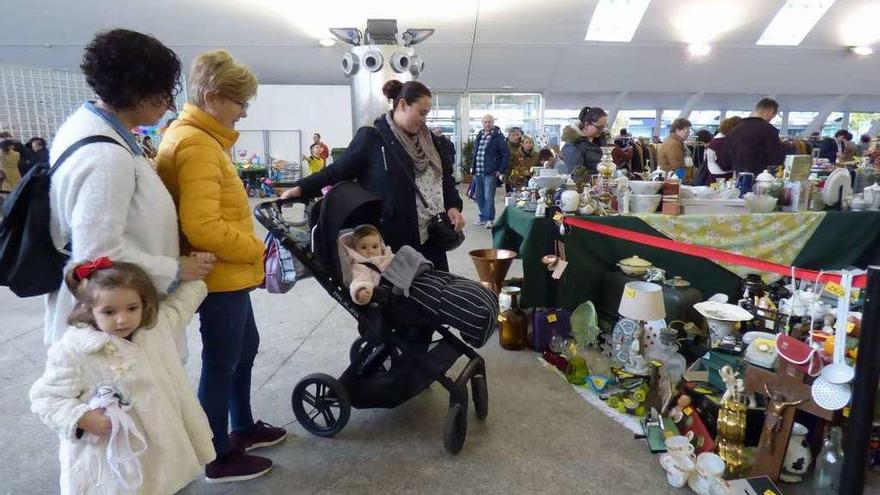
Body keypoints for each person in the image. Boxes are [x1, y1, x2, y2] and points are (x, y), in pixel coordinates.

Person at [156, 49, 285, 483]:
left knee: (243, 350)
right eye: (239, 103)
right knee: (222, 361)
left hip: (227, 275)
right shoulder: (196, 143)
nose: (244, 112)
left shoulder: (202, 138)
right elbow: (202, 225)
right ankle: (216, 455)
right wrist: (254, 248)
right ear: (212, 97)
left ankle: (242, 427)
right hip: (218, 276)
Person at [45, 29, 214, 347]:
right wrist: (176, 269)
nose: (167, 104)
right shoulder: (106, 157)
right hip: (118, 327)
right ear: (136, 91)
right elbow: (97, 255)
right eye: (162, 93)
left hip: (120, 315)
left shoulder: (92, 130)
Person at [29, 258, 216, 494]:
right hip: (119, 462)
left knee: (173, 483)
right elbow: (45, 398)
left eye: (132, 308)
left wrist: (200, 277)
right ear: (88, 309)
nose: (122, 318)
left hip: (168, 449)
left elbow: (180, 307)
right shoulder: (74, 351)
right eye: (109, 311)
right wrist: (81, 418)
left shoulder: (155, 328)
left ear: (144, 304)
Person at [281, 80, 465, 269]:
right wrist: (300, 188)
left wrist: (453, 206)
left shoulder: (433, 142)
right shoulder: (373, 138)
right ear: (402, 104)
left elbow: (446, 180)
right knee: (402, 294)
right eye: (421, 112)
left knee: (437, 291)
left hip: (434, 234)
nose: (424, 119)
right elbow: (338, 171)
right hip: (395, 240)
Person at [723, 98, 784, 174]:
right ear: (770, 111)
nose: (771, 119)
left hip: (738, 179)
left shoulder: (734, 130)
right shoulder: (769, 130)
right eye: (773, 116)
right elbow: (775, 159)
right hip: (761, 179)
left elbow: (725, 160)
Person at [468, 114, 509, 228]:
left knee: (489, 197)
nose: (487, 124)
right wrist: (473, 166)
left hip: (490, 172)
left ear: (493, 122)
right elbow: (476, 151)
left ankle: (490, 219)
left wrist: (500, 170)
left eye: (489, 122)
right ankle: (483, 217)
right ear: (482, 123)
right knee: (479, 196)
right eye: (485, 122)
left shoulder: (498, 137)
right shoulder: (480, 134)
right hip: (478, 171)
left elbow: (505, 154)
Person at [346, 225, 395, 304]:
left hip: (402, 279)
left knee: (406, 251)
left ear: (380, 245)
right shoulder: (360, 266)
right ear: (355, 250)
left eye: (375, 246)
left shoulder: (387, 255)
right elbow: (358, 280)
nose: (370, 251)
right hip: (387, 292)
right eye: (364, 248)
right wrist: (360, 290)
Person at [559, 106, 607, 175]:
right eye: (599, 127)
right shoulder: (573, 145)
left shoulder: (600, 141)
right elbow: (575, 175)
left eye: (604, 127)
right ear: (587, 124)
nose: (602, 130)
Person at [706, 116, 742, 182]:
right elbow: (725, 165)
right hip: (721, 177)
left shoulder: (716, 140)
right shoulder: (721, 141)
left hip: (715, 175)